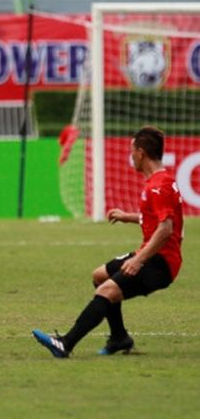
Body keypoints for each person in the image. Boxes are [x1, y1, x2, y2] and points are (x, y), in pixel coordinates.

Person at [33, 126, 183, 358]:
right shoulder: (161, 181)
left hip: (160, 262)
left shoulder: (158, 187)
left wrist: (139, 261)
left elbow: (165, 229)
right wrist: (128, 217)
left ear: (141, 153)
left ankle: (65, 343)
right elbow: (157, 220)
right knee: (99, 276)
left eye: (132, 150)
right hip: (151, 253)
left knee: (107, 290)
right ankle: (119, 337)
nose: (130, 155)